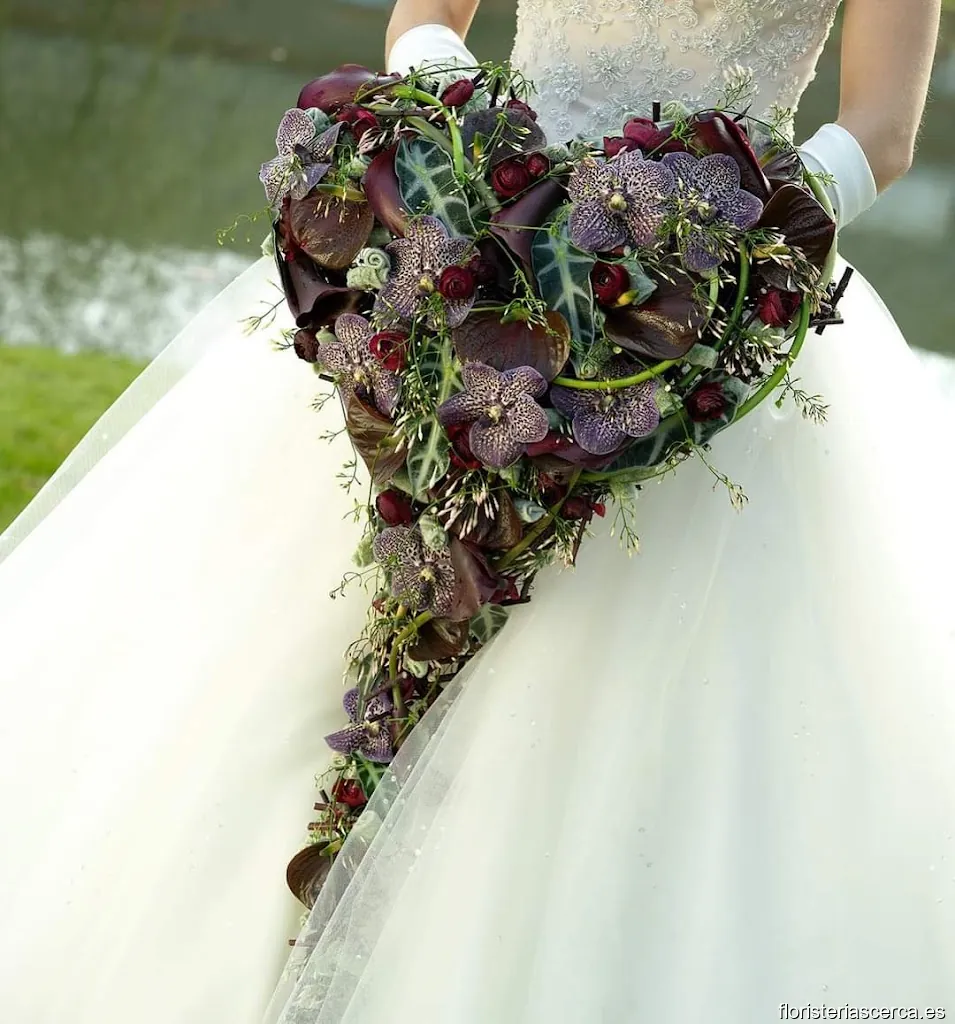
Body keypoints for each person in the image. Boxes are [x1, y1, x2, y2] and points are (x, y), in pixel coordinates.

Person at [0, 2, 952, 1022]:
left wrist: (696, 255)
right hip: (456, 267)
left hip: (682, 314)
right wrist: (468, 167)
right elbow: (423, 20)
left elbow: (880, 135)